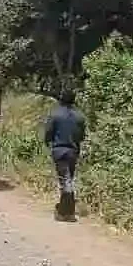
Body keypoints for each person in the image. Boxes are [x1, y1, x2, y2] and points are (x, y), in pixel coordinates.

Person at [44, 88, 87, 221]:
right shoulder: (79, 116)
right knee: (68, 178)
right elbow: (81, 136)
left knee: (65, 181)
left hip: (59, 151)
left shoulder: (55, 114)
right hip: (73, 151)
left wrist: (48, 142)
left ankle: (66, 212)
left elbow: (48, 133)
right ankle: (66, 210)